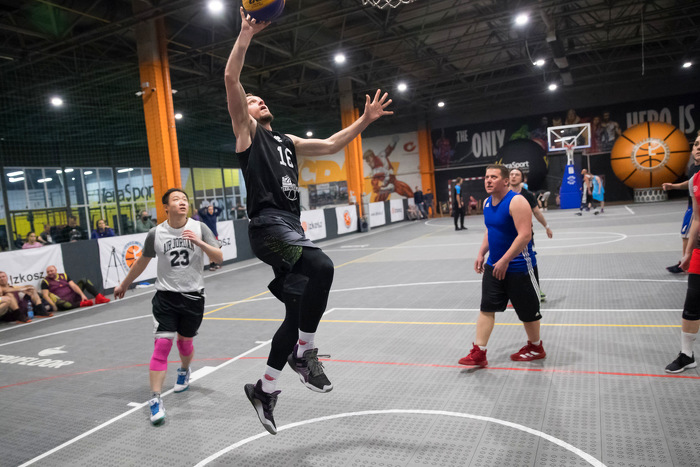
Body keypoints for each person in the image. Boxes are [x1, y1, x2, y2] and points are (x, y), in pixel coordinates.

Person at [226, 8, 393, 435]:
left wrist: (365, 120)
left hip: (291, 228)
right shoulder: (248, 134)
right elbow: (231, 78)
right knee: (322, 265)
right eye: (252, 99)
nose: (258, 100)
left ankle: (264, 389)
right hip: (268, 227)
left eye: (261, 99)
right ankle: (305, 353)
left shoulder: (288, 141)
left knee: (296, 310)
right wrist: (246, 34)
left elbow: (333, 144)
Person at [113, 188, 222, 425]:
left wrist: (199, 243)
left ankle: (184, 370)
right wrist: (125, 283)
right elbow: (142, 261)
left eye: (184, 199)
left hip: (193, 297)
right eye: (176, 199)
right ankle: (155, 398)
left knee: (185, 343)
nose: (182, 202)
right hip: (165, 297)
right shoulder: (156, 233)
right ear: (165, 207)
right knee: (162, 345)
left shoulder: (199, 228)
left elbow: (218, 257)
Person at [458, 165, 543, 368]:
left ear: (505, 181)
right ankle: (479, 352)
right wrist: (481, 253)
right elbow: (490, 230)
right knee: (487, 307)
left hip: (519, 267)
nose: (488, 180)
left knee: (528, 312)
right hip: (494, 266)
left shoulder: (517, 201)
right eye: (487, 177)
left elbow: (525, 235)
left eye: (493, 177)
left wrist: (505, 260)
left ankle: (536, 347)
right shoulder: (487, 202)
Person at [665, 158, 700, 373]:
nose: (699, 147)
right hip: (699, 251)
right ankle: (687, 355)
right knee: (692, 304)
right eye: (696, 143)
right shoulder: (696, 179)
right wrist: (688, 253)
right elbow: (697, 218)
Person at [509, 168, 553, 301]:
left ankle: (536, 289)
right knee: (508, 261)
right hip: (508, 235)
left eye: (517, 174)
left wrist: (546, 227)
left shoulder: (527, 195)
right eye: (511, 174)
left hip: (525, 235)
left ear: (522, 179)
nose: (513, 176)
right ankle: (510, 292)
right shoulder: (504, 194)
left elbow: (537, 212)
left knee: (530, 262)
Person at [663, 132, 700, 273]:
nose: (698, 147)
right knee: (686, 236)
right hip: (691, 207)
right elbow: (690, 183)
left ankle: (685, 264)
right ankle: (685, 261)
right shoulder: (693, 168)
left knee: (687, 236)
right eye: (696, 144)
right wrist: (673, 186)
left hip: (695, 210)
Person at [40, 265, 110, 310]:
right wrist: (53, 306)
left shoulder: (64, 275)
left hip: (73, 296)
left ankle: (98, 297)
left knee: (84, 280)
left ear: (56, 270)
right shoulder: (45, 281)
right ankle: (81, 304)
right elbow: (45, 295)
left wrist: (82, 295)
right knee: (63, 304)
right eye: (48, 272)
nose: (50, 273)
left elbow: (73, 285)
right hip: (63, 301)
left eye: (51, 271)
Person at [198, 204, 223, 270]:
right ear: (207, 210)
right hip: (208, 236)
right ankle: (212, 265)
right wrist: (205, 207)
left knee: (217, 249)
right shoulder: (205, 216)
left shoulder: (215, 215)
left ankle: (216, 263)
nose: (210, 210)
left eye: (211, 209)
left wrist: (214, 207)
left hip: (215, 235)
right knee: (210, 250)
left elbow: (220, 209)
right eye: (209, 209)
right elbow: (199, 211)